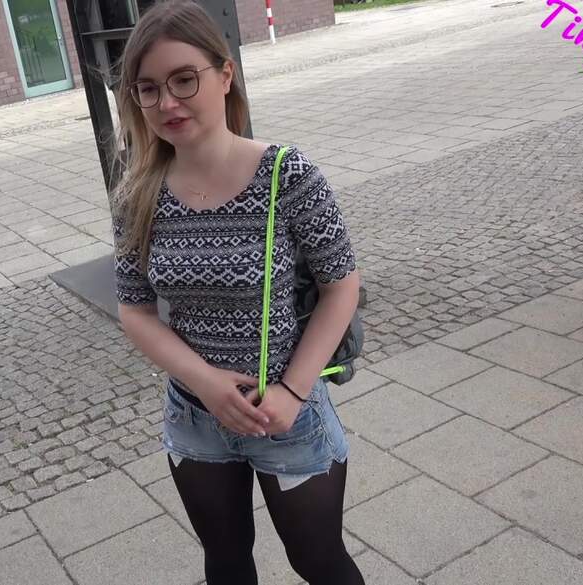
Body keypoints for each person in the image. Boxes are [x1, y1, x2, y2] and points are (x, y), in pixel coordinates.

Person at [111, 2, 364, 584]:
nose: (167, 103)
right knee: (225, 562)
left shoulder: (287, 175)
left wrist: (293, 392)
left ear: (225, 75)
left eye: (184, 79)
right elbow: (135, 310)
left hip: (288, 413)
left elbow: (341, 287)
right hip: (194, 417)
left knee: (320, 563)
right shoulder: (137, 195)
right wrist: (205, 382)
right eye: (148, 89)